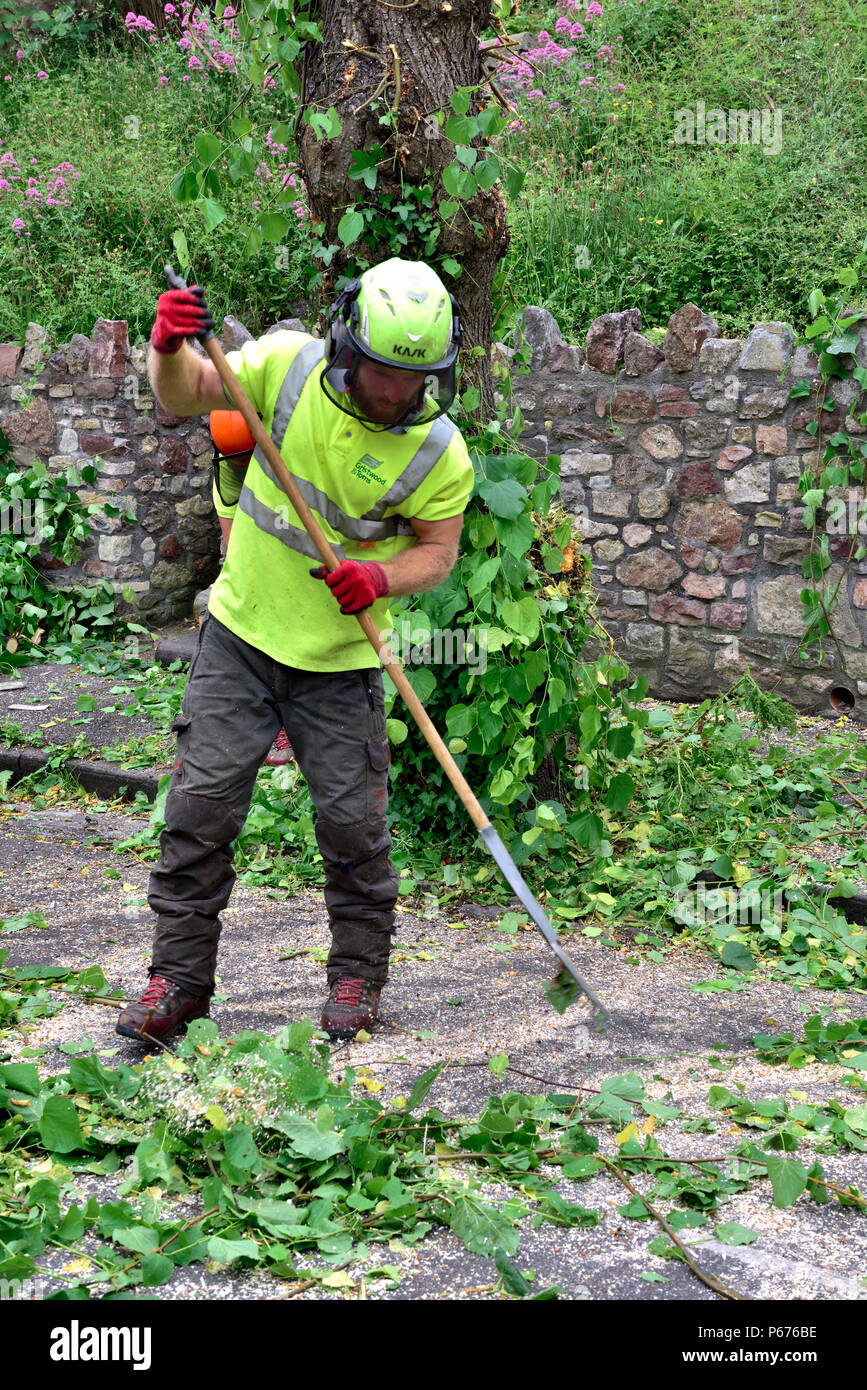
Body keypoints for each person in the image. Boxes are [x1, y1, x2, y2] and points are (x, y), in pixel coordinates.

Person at [116, 258, 474, 1043]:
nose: (392, 391)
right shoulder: (284, 367)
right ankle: (176, 984)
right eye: (381, 369)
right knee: (198, 816)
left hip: (341, 665)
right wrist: (168, 346)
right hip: (241, 638)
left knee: (353, 830)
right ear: (348, 339)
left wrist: (379, 578)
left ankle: (355, 979)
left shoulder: (438, 452)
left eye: (411, 378)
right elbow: (181, 396)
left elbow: (438, 553)